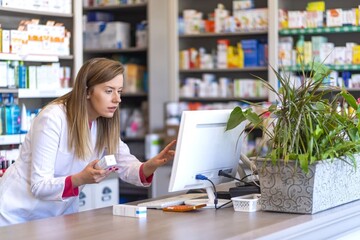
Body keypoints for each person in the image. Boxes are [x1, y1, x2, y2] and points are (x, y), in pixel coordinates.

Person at [0, 58, 176, 226]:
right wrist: (80, 179)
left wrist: (151, 165)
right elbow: (40, 186)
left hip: (57, 217)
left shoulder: (103, 123)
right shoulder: (53, 118)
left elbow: (127, 166)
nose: (117, 99)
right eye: (109, 91)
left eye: (119, 91)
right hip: (17, 216)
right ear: (86, 91)